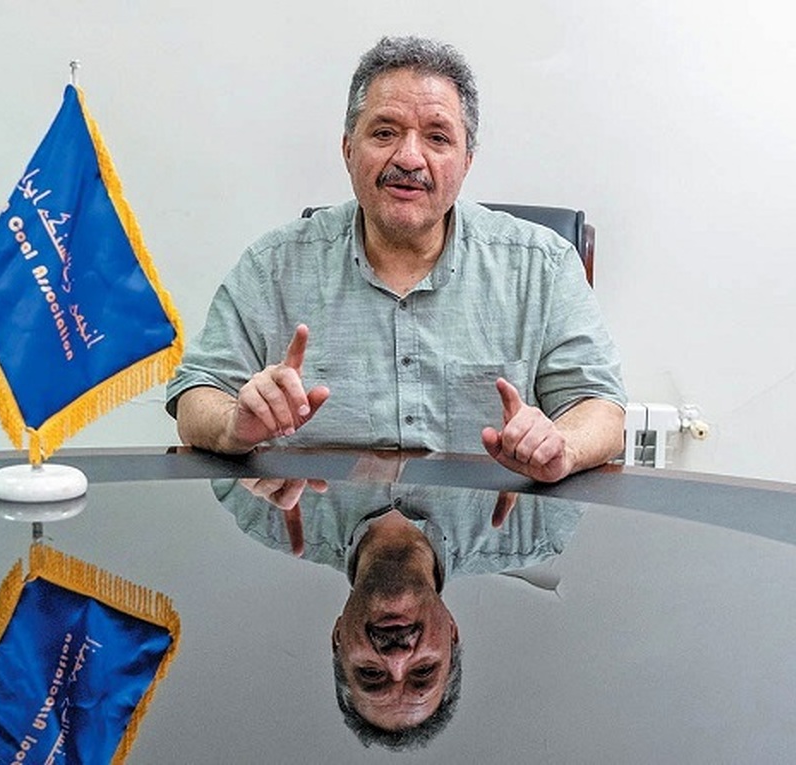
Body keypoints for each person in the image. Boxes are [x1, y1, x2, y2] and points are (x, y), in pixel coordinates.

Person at [166, 35, 626, 483]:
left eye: (437, 137)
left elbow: (599, 406)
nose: (409, 158)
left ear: (467, 161)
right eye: (385, 133)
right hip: (312, 523)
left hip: (490, 527)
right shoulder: (273, 267)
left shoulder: (542, 266)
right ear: (348, 149)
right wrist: (234, 424)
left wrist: (562, 445)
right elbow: (196, 394)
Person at [210, 476, 583, 749]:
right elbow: (595, 416)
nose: (397, 657)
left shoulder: (262, 510)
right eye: (423, 672)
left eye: (371, 674)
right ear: (452, 632)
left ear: (338, 638)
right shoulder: (537, 525)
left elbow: (207, 408)